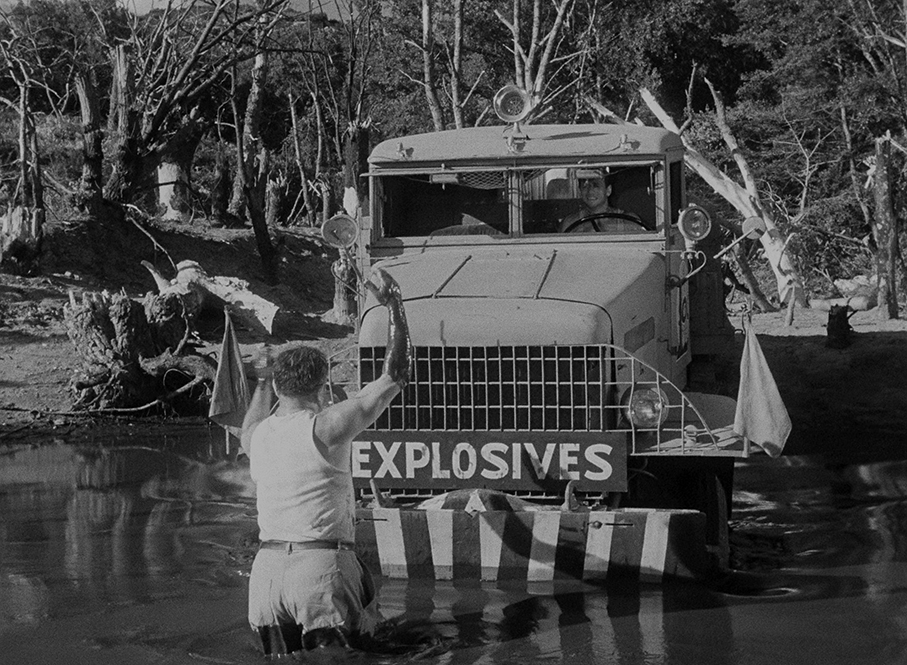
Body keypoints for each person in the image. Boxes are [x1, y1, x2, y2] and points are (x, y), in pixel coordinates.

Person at [241, 267, 412, 656]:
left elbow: (247, 425)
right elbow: (396, 375)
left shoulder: (257, 437)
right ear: (321, 386)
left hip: (265, 578)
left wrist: (262, 381)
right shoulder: (327, 427)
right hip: (318, 570)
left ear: (280, 386)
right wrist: (395, 305)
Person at [557, 170, 646, 234]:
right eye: (585, 186)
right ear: (580, 191)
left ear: (608, 190)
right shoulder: (569, 223)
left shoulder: (629, 222)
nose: (590, 191)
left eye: (596, 186)